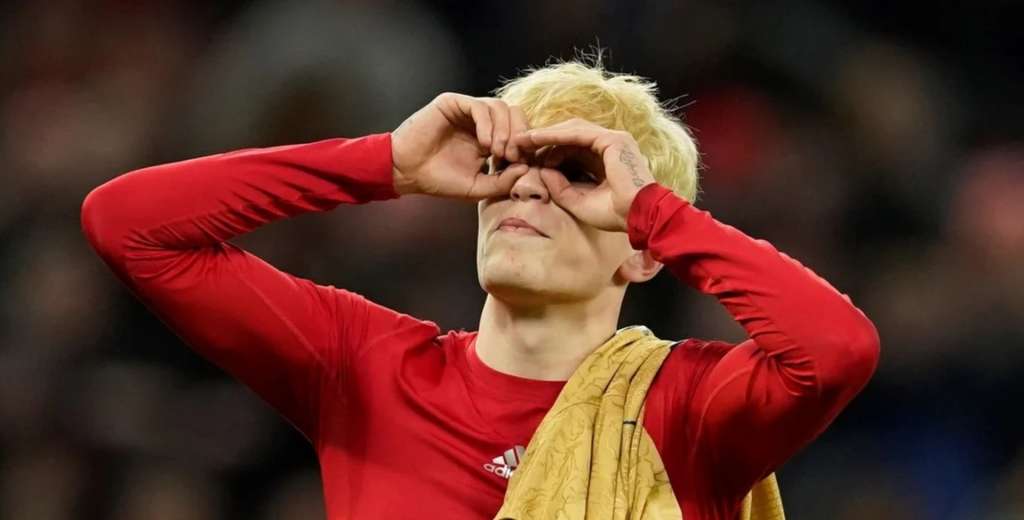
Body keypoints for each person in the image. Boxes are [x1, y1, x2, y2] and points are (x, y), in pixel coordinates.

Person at [80, 60, 880, 519]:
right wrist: (385, 164)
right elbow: (128, 226)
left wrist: (654, 210)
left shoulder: (689, 406)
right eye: (507, 164)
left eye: (577, 174)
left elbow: (837, 349)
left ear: (641, 252)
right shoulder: (368, 367)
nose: (526, 187)